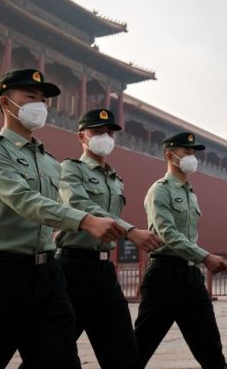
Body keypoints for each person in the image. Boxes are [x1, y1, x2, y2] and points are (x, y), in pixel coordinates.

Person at [0, 68, 127, 369]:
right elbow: (24, 201)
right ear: (6, 102)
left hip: (48, 276)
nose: (40, 104)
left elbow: (55, 207)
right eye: (31, 97)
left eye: (43, 99)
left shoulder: (51, 162)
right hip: (0, 275)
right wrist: (86, 220)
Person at [56, 108, 162, 369]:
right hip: (71, 269)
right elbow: (79, 205)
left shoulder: (116, 180)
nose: (106, 136)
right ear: (82, 136)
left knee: (124, 353)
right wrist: (129, 230)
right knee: (54, 353)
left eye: (110, 132)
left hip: (104, 270)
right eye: (98, 131)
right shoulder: (70, 169)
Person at [134, 131, 227, 369]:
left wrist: (199, 260)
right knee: (139, 347)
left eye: (193, 152)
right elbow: (167, 234)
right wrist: (205, 257)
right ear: (169, 155)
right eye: (186, 151)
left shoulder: (189, 192)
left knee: (210, 347)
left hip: (191, 277)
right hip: (164, 277)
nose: (192, 156)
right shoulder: (160, 190)